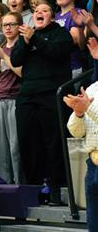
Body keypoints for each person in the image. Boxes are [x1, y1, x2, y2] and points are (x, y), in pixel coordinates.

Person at [10, 2, 74, 204]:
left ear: (52, 17)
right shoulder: (26, 37)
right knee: (28, 141)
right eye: (36, 11)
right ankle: (34, 188)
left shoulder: (60, 34)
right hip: (27, 96)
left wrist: (35, 37)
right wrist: (27, 41)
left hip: (51, 94)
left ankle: (57, 187)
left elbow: (57, 53)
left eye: (44, 11)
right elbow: (16, 59)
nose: (39, 13)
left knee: (53, 142)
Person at [64, 38, 98, 232]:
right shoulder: (93, 88)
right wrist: (78, 113)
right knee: (93, 225)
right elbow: (76, 131)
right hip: (92, 165)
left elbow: (91, 110)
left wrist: (88, 108)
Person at [0, 12, 24, 184]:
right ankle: (3, 183)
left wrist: (5, 57)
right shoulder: (1, 47)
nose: (8, 28)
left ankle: (19, 183)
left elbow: (21, 72)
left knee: (15, 147)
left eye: (12, 24)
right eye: (5, 25)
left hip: (15, 100)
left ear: (19, 26)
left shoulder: (22, 46)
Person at [55, 0, 87, 78]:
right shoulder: (55, 16)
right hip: (57, 67)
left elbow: (74, 40)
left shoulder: (78, 13)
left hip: (73, 67)